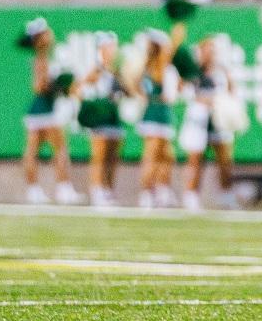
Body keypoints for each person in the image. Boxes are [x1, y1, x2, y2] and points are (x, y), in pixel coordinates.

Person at [19, 18, 79, 205]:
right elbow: (38, 86)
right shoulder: (41, 57)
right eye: (46, 33)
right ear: (40, 38)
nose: (50, 35)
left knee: (34, 151)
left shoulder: (43, 56)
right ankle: (63, 189)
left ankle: (34, 191)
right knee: (59, 149)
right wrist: (57, 86)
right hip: (45, 110)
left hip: (38, 110)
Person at [179, 38, 238, 212]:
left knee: (224, 159)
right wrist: (202, 99)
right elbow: (182, 90)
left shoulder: (221, 70)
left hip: (217, 119)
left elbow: (231, 91)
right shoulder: (193, 70)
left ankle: (226, 195)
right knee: (195, 159)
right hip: (199, 118)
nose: (209, 54)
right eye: (206, 50)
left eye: (212, 50)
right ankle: (191, 195)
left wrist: (222, 101)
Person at [75, 32, 124, 207]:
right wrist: (89, 107)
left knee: (113, 155)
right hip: (100, 116)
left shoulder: (117, 70)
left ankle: (108, 189)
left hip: (113, 115)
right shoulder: (97, 69)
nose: (113, 50)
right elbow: (79, 88)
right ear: (102, 49)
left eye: (114, 47)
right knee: (99, 154)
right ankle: (96, 190)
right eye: (109, 47)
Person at [134, 28, 181, 209]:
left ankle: (162, 191)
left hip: (161, 115)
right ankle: (147, 193)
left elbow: (138, 86)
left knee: (167, 156)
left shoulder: (151, 66)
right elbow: (166, 93)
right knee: (152, 156)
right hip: (156, 115)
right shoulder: (159, 67)